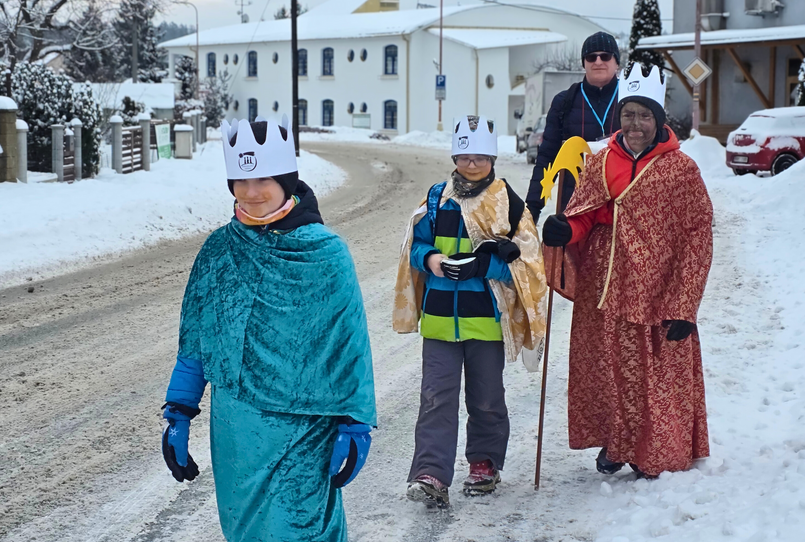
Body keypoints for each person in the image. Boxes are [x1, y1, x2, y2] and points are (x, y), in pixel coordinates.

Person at [160, 115, 377, 541]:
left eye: (262, 179)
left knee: (299, 530)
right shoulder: (219, 250)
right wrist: (178, 412)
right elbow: (197, 342)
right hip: (237, 432)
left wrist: (355, 421)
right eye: (240, 180)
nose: (251, 192)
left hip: (306, 428)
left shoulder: (326, 254)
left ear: (286, 180)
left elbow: (350, 343)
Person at [541, 65, 712, 479]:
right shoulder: (600, 163)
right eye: (628, 114)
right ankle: (616, 444)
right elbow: (587, 213)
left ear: (659, 120)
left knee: (654, 370)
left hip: (659, 289)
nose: (635, 125)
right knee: (608, 367)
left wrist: (684, 305)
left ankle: (653, 448)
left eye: (644, 116)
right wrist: (566, 228)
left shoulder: (682, 170)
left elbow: (697, 239)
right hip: (604, 284)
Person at [393, 115, 548, 507]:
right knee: (435, 398)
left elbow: (528, 261)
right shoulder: (436, 199)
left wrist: (487, 265)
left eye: (480, 156)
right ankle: (431, 472)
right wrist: (430, 261)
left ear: (492, 158)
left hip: (486, 322)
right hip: (441, 322)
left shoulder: (508, 203)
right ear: (455, 156)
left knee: (486, 398)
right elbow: (414, 245)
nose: (472, 163)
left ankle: (484, 462)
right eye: (464, 156)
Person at [526, 31, 622, 222]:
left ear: (616, 62)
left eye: (605, 56)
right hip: (574, 204)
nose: (598, 61)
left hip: (620, 202)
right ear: (583, 63)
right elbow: (547, 158)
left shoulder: (631, 97)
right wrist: (532, 209)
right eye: (591, 57)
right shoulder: (565, 101)